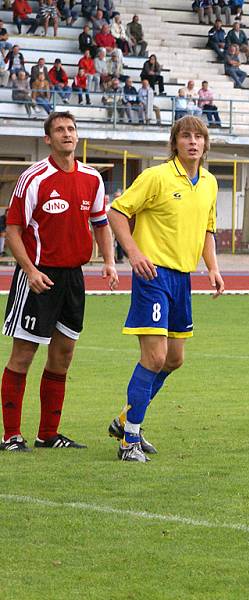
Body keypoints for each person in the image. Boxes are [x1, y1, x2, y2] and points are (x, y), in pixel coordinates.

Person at [106, 116, 225, 462]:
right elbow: (117, 212)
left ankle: (126, 419)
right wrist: (133, 253)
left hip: (183, 279)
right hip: (153, 276)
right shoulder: (155, 176)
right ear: (174, 143)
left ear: (205, 144)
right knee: (154, 357)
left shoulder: (209, 183)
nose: (192, 142)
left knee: (173, 359)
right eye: (185, 136)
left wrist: (213, 267)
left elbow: (207, 230)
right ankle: (129, 440)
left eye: (198, 137)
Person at [0, 112, 118, 452]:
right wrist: (30, 270)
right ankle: (10, 436)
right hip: (38, 276)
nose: (67, 134)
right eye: (59, 130)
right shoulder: (34, 178)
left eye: (71, 129)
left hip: (73, 278)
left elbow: (100, 223)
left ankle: (48, 434)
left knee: (63, 355)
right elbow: (12, 230)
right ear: (49, 139)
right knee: (23, 355)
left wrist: (109, 261)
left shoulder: (92, 178)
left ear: (77, 136)